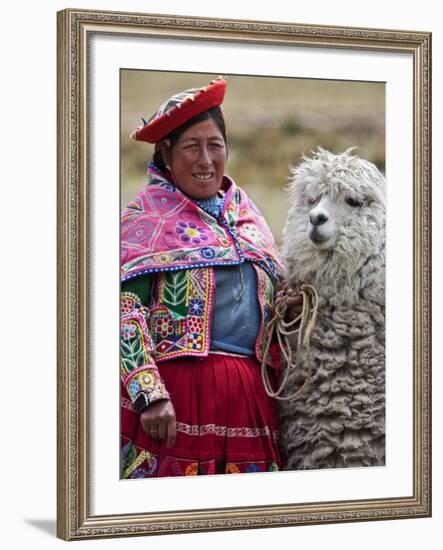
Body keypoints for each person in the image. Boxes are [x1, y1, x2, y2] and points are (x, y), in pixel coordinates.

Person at [120, 76, 301, 478]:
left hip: (251, 400)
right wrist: (147, 393)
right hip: (177, 400)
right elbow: (124, 311)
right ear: (165, 154)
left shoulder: (247, 216)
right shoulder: (144, 219)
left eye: (215, 145)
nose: (205, 160)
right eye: (191, 147)